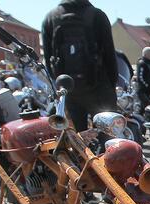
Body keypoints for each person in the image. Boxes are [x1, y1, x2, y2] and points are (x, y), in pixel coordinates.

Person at [42, 0, 118, 132]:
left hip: (68, 90)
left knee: (75, 140)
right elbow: (110, 55)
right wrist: (111, 86)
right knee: (108, 137)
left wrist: (60, 84)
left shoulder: (50, 18)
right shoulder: (97, 15)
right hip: (98, 88)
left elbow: (48, 61)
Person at [135, 47, 150, 113]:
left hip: (149, 92)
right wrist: (149, 87)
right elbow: (140, 78)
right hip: (142, 91)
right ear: (145, 54)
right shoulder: (142, 63)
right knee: (147, 107)